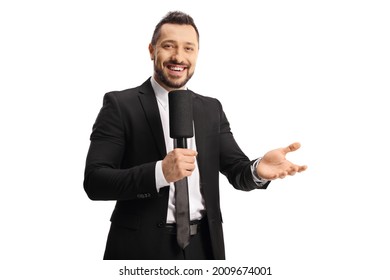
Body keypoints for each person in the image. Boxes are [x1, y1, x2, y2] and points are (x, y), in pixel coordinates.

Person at [83, 11, 307, 260]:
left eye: (188, 48)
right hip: (139, 248)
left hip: (204, 246)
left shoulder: (211, 109)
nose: (179, 56)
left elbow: (237, 171)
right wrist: (160, 173)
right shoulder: (120, 105)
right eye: (169, 46)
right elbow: (95, 182)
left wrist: (257, 170)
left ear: (197, 54)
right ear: (151, 50)